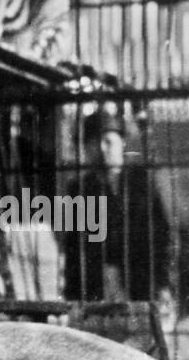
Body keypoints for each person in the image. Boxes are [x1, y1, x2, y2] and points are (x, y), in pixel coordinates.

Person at [62, 107, 176, 331]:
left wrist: (163, 284)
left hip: (138, 283)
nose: (102, 150)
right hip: (95, 285)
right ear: (85, 149)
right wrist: (72, 296)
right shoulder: (79, 189)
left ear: (122, 143)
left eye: (108, 141)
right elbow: (72, 246)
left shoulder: (142, 183)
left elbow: (162, 237)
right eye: (93, 143)